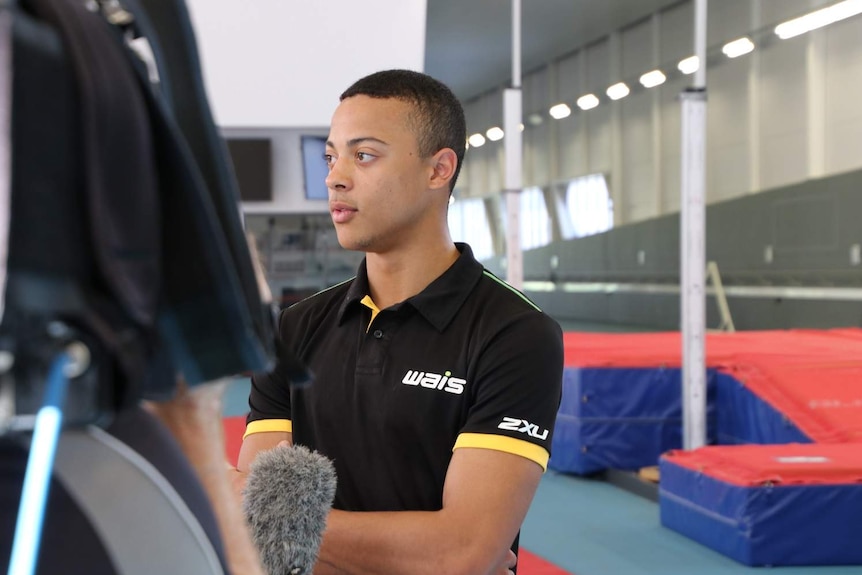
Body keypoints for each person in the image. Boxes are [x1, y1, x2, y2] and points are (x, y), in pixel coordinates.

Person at [233, 69, 563, 575]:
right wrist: (428, 553)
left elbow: (460, 553)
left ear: (439, 170)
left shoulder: (515, 334)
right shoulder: (294, 331)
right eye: (331, 156)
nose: (334, 177)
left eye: (363, 155)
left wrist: (285, 524)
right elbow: (257, 539)